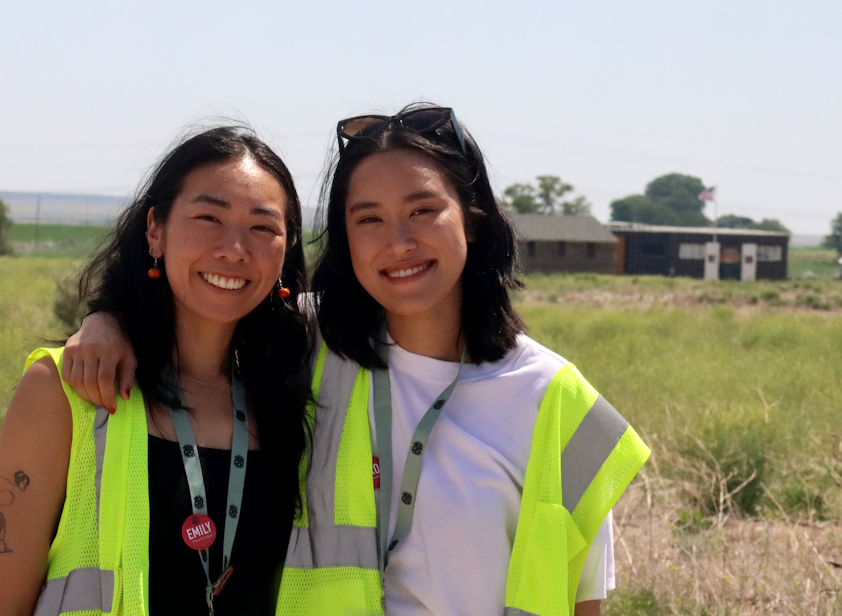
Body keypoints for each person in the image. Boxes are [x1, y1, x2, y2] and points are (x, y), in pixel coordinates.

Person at [64, 104, 650, 616]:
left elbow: (579, 600)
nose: (398, 241)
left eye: (423, 211)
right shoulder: (305, 342)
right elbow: (203, 300)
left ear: (471, 218)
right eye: (368, 218)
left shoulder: (554, 400)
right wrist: (107, 320)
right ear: (345, 238)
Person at [0, 126, 314, 616]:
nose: (234, 249)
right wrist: (104, 316)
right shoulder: (65, 391)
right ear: (155, 230)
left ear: (286, 249)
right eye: (208, 217)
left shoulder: (294, 391)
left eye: (263, 228)